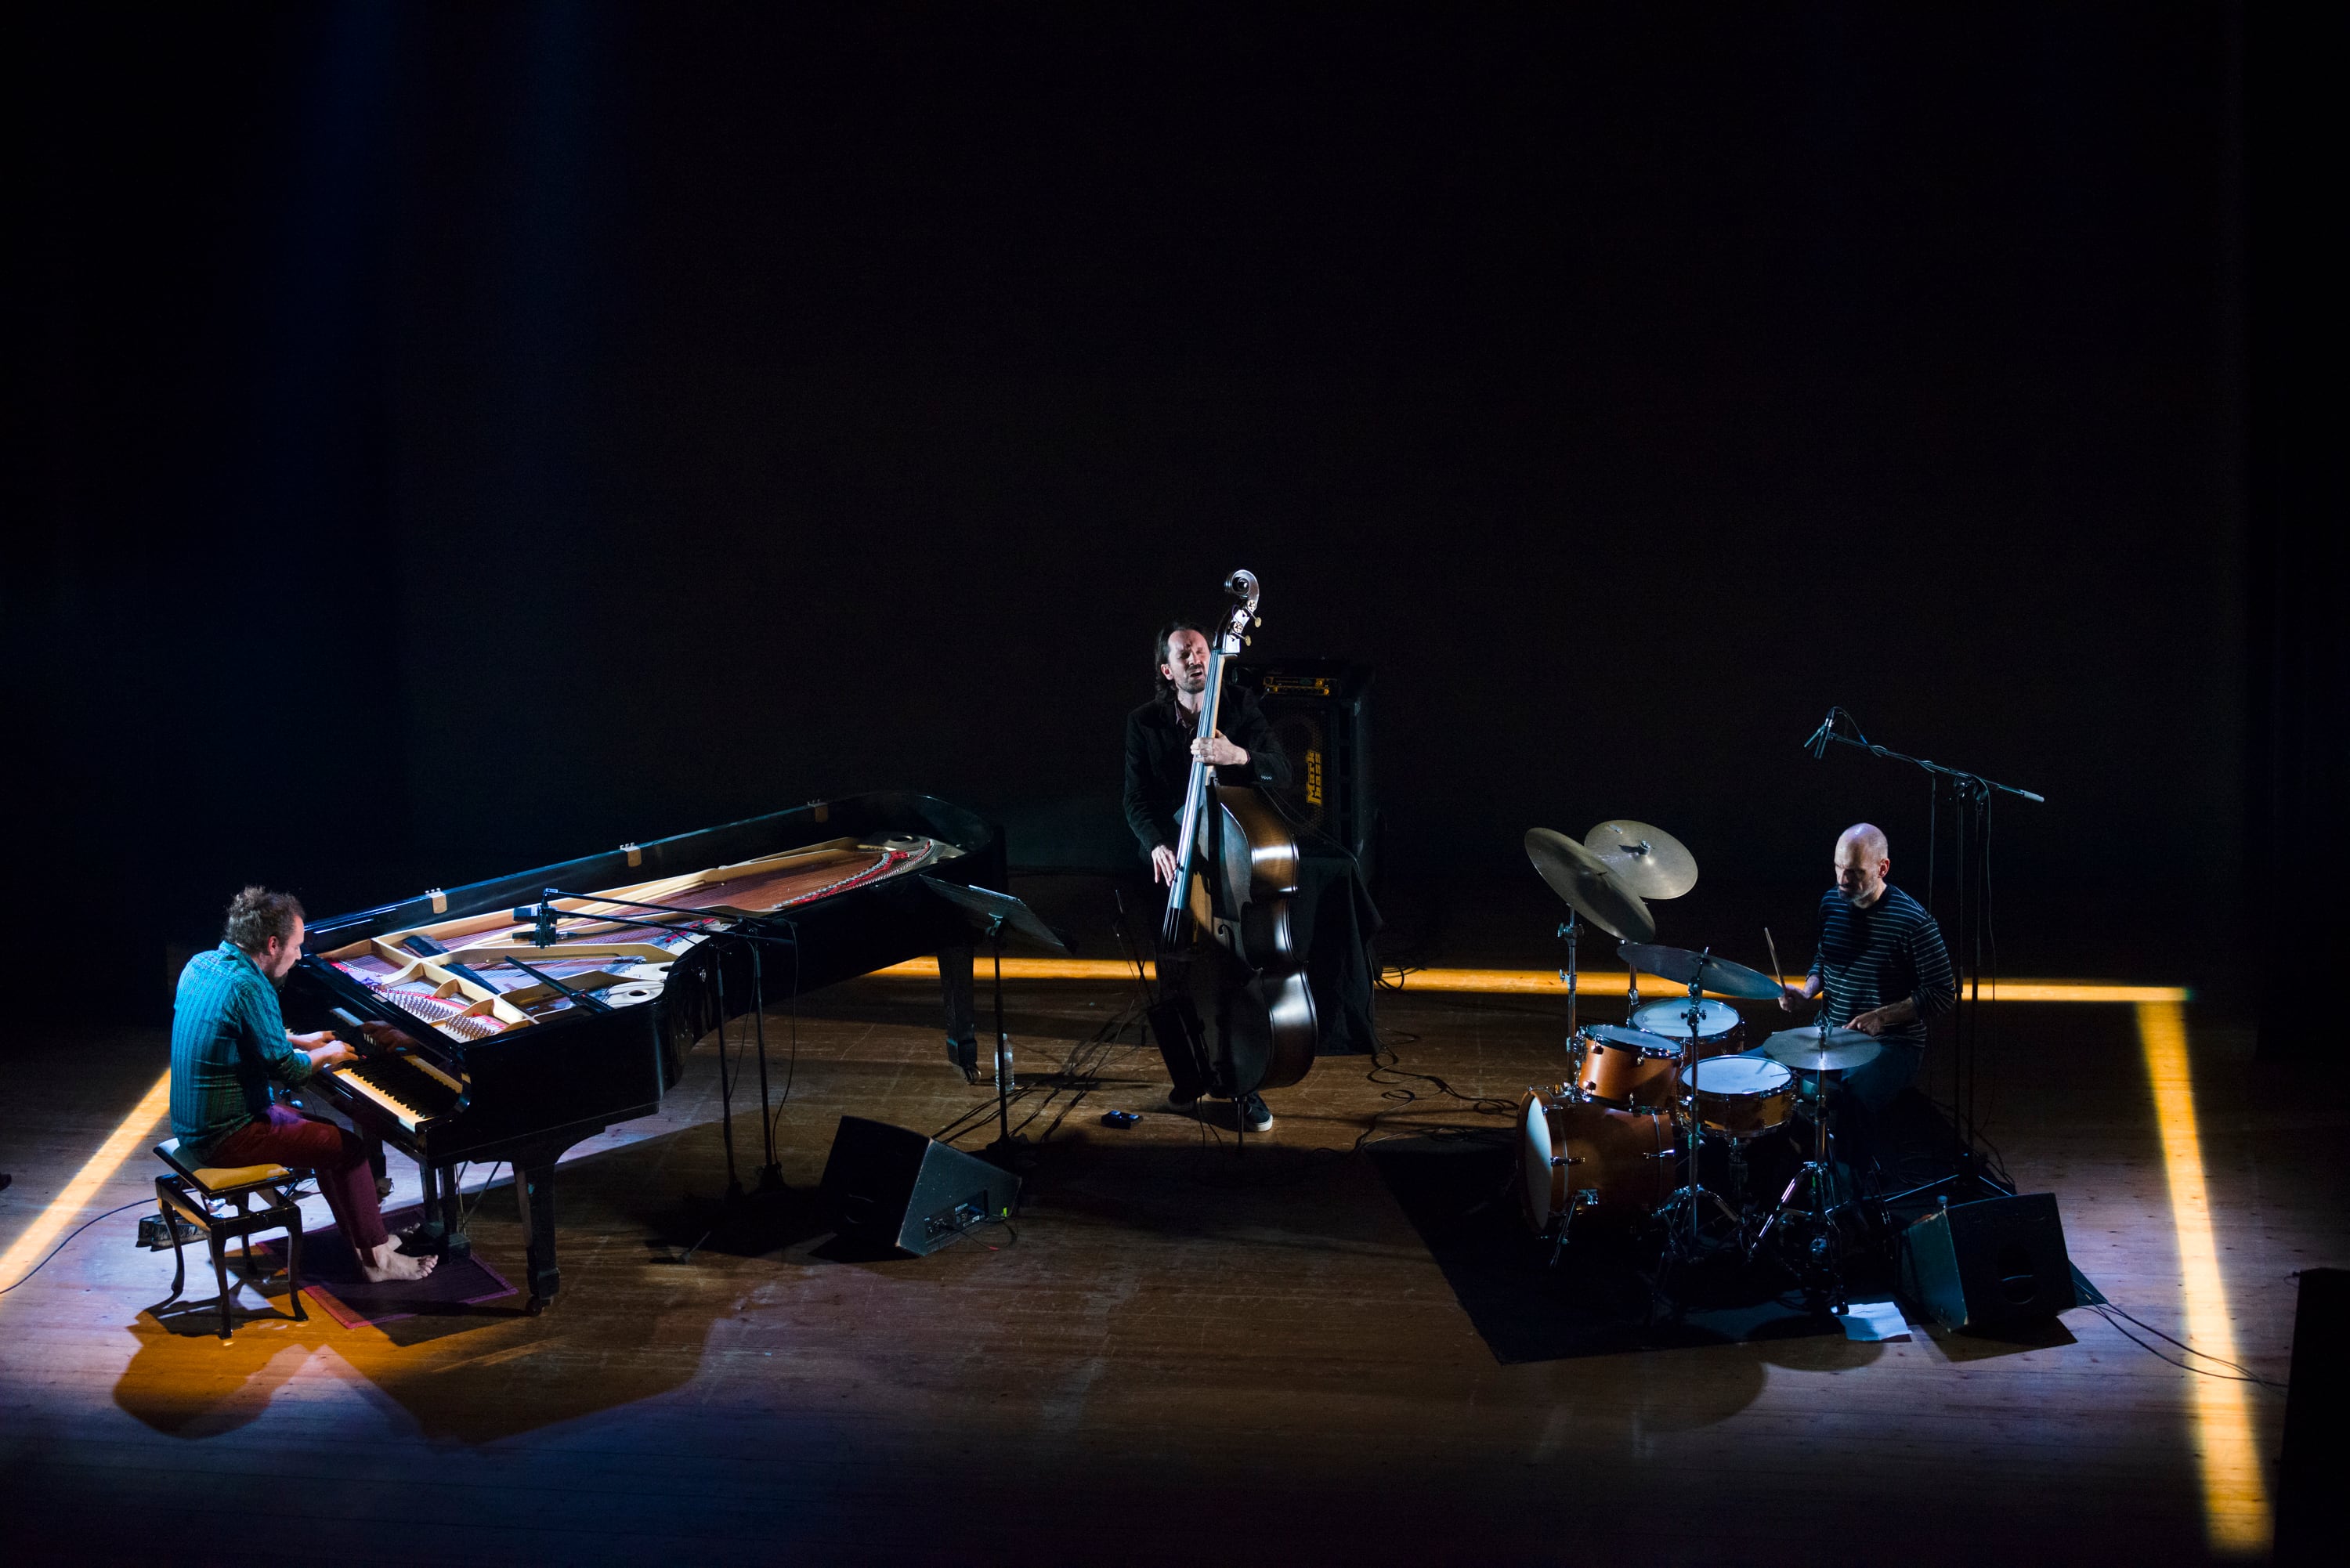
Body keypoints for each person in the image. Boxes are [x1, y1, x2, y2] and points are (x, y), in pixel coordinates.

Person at [169, 887, 436, 1283]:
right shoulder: (250, 986)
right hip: (224, 1134)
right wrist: (325, 1055)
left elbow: (245, 1033)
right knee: (347, 1149)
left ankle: (368, 1243)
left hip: (194, 1123)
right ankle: (379, 1262)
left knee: (327, 1140)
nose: (298, 955)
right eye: (296, 946)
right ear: (272, 944)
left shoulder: (203, 964)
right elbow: (289, 1072)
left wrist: (304, 1041)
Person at [1123, 619, 1294, 1133]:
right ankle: (1188, 1074)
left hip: (1230, 861)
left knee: (1235, 977)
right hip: (1177, 865)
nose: (1196, 660)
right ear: (1167, 669)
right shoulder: (1144, 722)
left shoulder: (1239, 706)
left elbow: (1281, 771)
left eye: (1201, 651)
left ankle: (1247, 1085)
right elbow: (1133, 799)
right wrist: (1155, 842)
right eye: (1184, 655)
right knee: (1174, 975)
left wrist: (1234, 755)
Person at [1780, 823, 1955, 1172]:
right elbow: (1824, 957)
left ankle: (1853, 1195)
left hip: (1894, 1045)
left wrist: (1882, 1017)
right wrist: (1808, 990)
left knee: (1853, 1098)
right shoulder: (1832, 901)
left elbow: (1941, 993)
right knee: (1764, 1075)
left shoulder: (1914, 922)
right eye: (1839, 868)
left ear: (1882, 868)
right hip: (1831, 1035)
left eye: (1856, 872)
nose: (1844, 879)